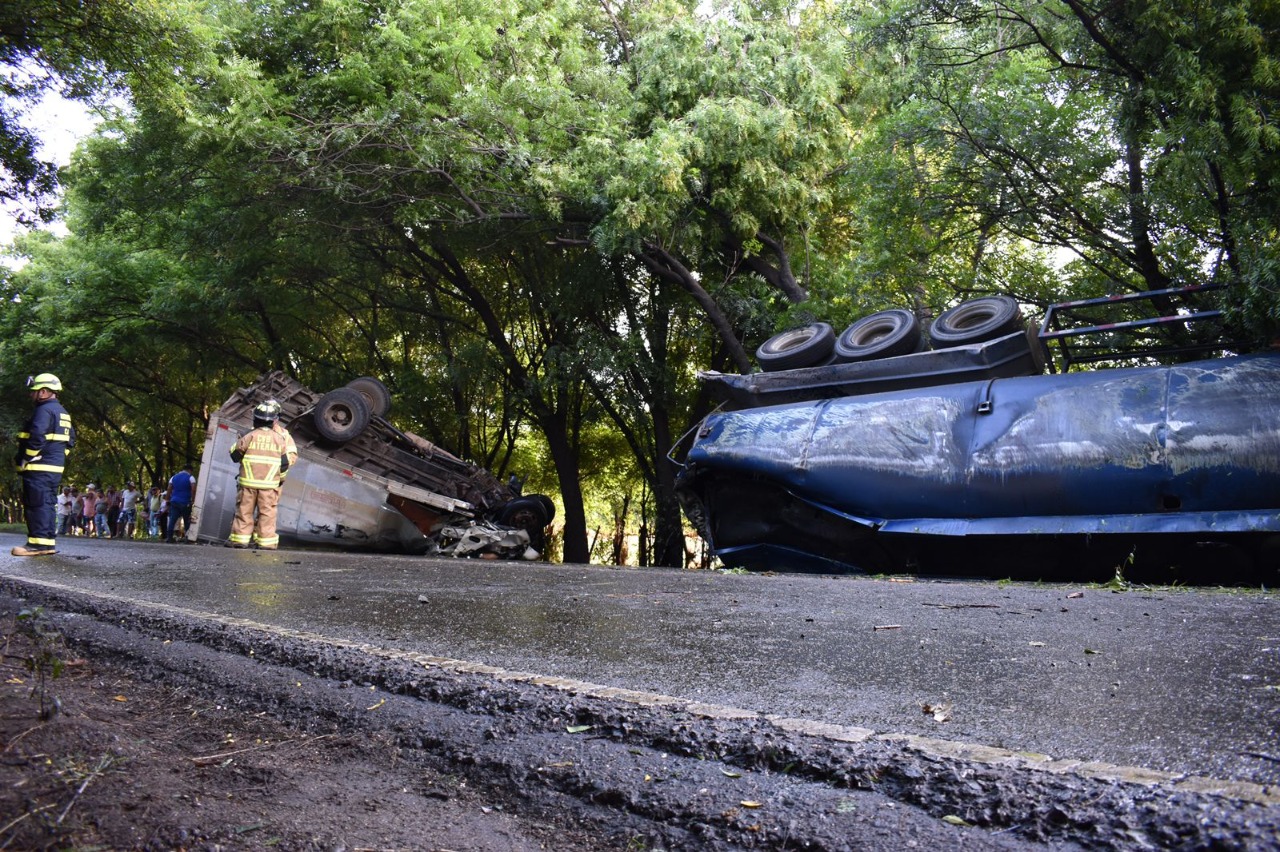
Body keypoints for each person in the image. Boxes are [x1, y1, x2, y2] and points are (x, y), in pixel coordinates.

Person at [12, 373, 75, 556]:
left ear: (44, 392)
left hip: (38, 468)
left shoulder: (44, 410)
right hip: (53, 468)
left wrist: (27, 459)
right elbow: (71, 439)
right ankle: (46, 543)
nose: (31, 395)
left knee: (36, 504)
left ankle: (37, 545)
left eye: (34, 391)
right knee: (46, 504)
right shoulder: (62, 412)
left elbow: (37, 436)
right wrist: (57, 456)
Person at [226, 402, 290, 549]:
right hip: (269, 487)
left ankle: (240, 541)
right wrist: (280, 480)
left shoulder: (250, 436)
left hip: (248, 484)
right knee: (267, 514)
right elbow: (285, 464)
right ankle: (266, 543)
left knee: (244, 512)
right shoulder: (279, 439)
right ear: (273, 421)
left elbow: (234, 454)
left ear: (255, 419)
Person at [166, 464, 196, 542]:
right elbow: (193, 489)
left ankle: (169, 537)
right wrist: (193, 500)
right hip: (185, 502)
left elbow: (169, 488)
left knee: (172, 520)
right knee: (186, 520)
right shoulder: (191, 478)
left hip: (174, 501)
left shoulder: (173, 477)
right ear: (189, 470)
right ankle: (187, 538)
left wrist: (167, 499)